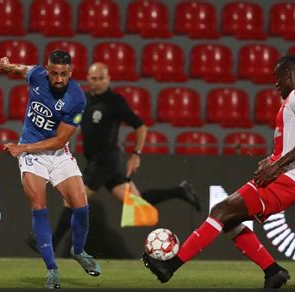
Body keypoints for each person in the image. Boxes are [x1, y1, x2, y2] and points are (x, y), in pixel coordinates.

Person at [142, 55, 295, 291]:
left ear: (289, 73)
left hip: (284, 181)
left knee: (220, 211)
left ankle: (170, 266)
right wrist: (274, 158)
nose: (275, 84)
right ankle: (273, 271)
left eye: (277, 78)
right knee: (229, 220)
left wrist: (277, 166)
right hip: (286, 179)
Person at [26, 62, 202, 254]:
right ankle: (179, 191)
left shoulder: (114, 101)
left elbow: (141, 126)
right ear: (88, 80)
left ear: (108, 79)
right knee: (135, 201)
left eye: (102, 78)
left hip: (105, 160)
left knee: (71, 200)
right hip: (102, 161)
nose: (98, 82)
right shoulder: (83, 100)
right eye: (94, 78)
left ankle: (48, 243)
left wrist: (136, 154)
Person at [0, 50, 101, 289]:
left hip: (55, 152)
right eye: (54, 73)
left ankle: (78, 250)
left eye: (64, 74)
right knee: (39, 206)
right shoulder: (37, 76)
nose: (58, 79)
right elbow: (25, 69)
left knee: (82, 207)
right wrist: (9, 66)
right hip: (32, 156)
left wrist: (21, 147)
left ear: (71, 72)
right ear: (47, 70)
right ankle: (52, 269)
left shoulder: (77, 98)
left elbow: (57, 141)